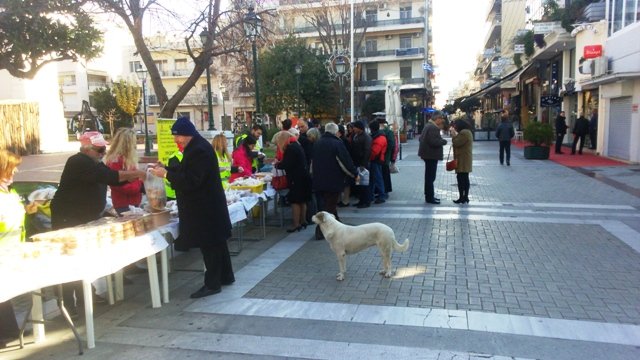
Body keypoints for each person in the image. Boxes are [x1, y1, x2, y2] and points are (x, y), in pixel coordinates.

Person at [51, 131, 146, 313]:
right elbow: (109, 177)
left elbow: (111, 175)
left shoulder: (94, 162)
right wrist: (135, 173)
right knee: (70, 260)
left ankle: (86, 294)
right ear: (87, 149)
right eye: (99, 149)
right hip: (69, 218)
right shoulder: (78, 161)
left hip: (85, 217)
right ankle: (67, 303)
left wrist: (134, 176)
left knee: (83, 259)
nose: (103, 152)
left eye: (104, 149)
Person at [149, 117, 234, 299]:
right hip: (209, 207)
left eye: (178, 136)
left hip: (205, 208)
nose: (176, 140)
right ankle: (226, 276)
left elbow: (192, 180)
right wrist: (167, 169)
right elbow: (186, 171)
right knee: (218, 243)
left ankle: (212, 284)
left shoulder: (199, 150)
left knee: (210, 246)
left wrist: (166, 174)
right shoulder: (196, 147)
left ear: (187, 134)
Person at [311, 122, 358, 240]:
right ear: (336, 132)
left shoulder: (317, 143)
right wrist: (355, 173)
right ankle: (320, 231)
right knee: (329, 207)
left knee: (326, 205)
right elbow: (345, 161)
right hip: (333, 180)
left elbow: (312, 162)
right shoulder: (337, 143)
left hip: (318, 180)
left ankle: (339, 224)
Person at [0, 149, 25, 348]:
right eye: (12, 168)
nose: (15, 173)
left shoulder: (7, 190)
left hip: (10, 251)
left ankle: (8, 332)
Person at [273, 131, 312, 232]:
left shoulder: (290, 148)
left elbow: (287, 164)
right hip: (303, 176)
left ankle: (296, 224)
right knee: (302, 201)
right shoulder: (296, 145)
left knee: (295, 201)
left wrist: (277, 164)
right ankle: (303, 221)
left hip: (296, 178)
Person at [104, 128, 144, 214]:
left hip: (131, 201)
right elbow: (117, 182)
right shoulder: (116, 160)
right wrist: (140, 185)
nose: (136, 144)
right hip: (124, 203)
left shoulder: (127, 158)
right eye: (134, 141)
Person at [418, 111, 447, 204]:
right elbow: (433, 141)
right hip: (431, 155)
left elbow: (421, 138)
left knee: (429, 177)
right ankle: (430, 197)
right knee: (431, 177)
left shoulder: (428, 125)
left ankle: (429, 195)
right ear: (437, 119)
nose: (441, 120)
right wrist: (443, 141)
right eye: (441, 118)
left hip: (427, 154)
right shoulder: (433, 127)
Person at [450, 120, 473, 204]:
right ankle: (465, 197)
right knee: (465, 178)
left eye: (455, 125)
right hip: (464, 158)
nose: (455, 127)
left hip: (463, 159)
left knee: (461, 178)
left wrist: (453, 135)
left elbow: (456, 143)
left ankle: (462, 197)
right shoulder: (467, 132)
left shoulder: (464, 133)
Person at [350, 120, 372, 208]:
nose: (353, 129)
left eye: (355, 127)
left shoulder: (366, 137)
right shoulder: (356, 136)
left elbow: (367, 151)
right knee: (359, 183)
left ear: (359, 128)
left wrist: (363, 164)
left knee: (364, 183)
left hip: (363, 164)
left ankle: (366, 201)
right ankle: (361, 200)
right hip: (357, 162)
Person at [368, 120, 388, 204]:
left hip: (376, 160)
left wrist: (368, 158)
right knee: (373, 179)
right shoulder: (378, 136)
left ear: (372, 128)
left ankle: (381, 196)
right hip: (376, 160)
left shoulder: (379, 138)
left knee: (377, 178)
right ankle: (371, 195)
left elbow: (374, 152)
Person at [378, 119, 396, 194]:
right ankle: (385, 190)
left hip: (384, 156)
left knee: (385, 173)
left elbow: (392, 145)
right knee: (384, 173)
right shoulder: (387, 131)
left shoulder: (387, 132)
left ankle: (386, 190)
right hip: (384, 156)